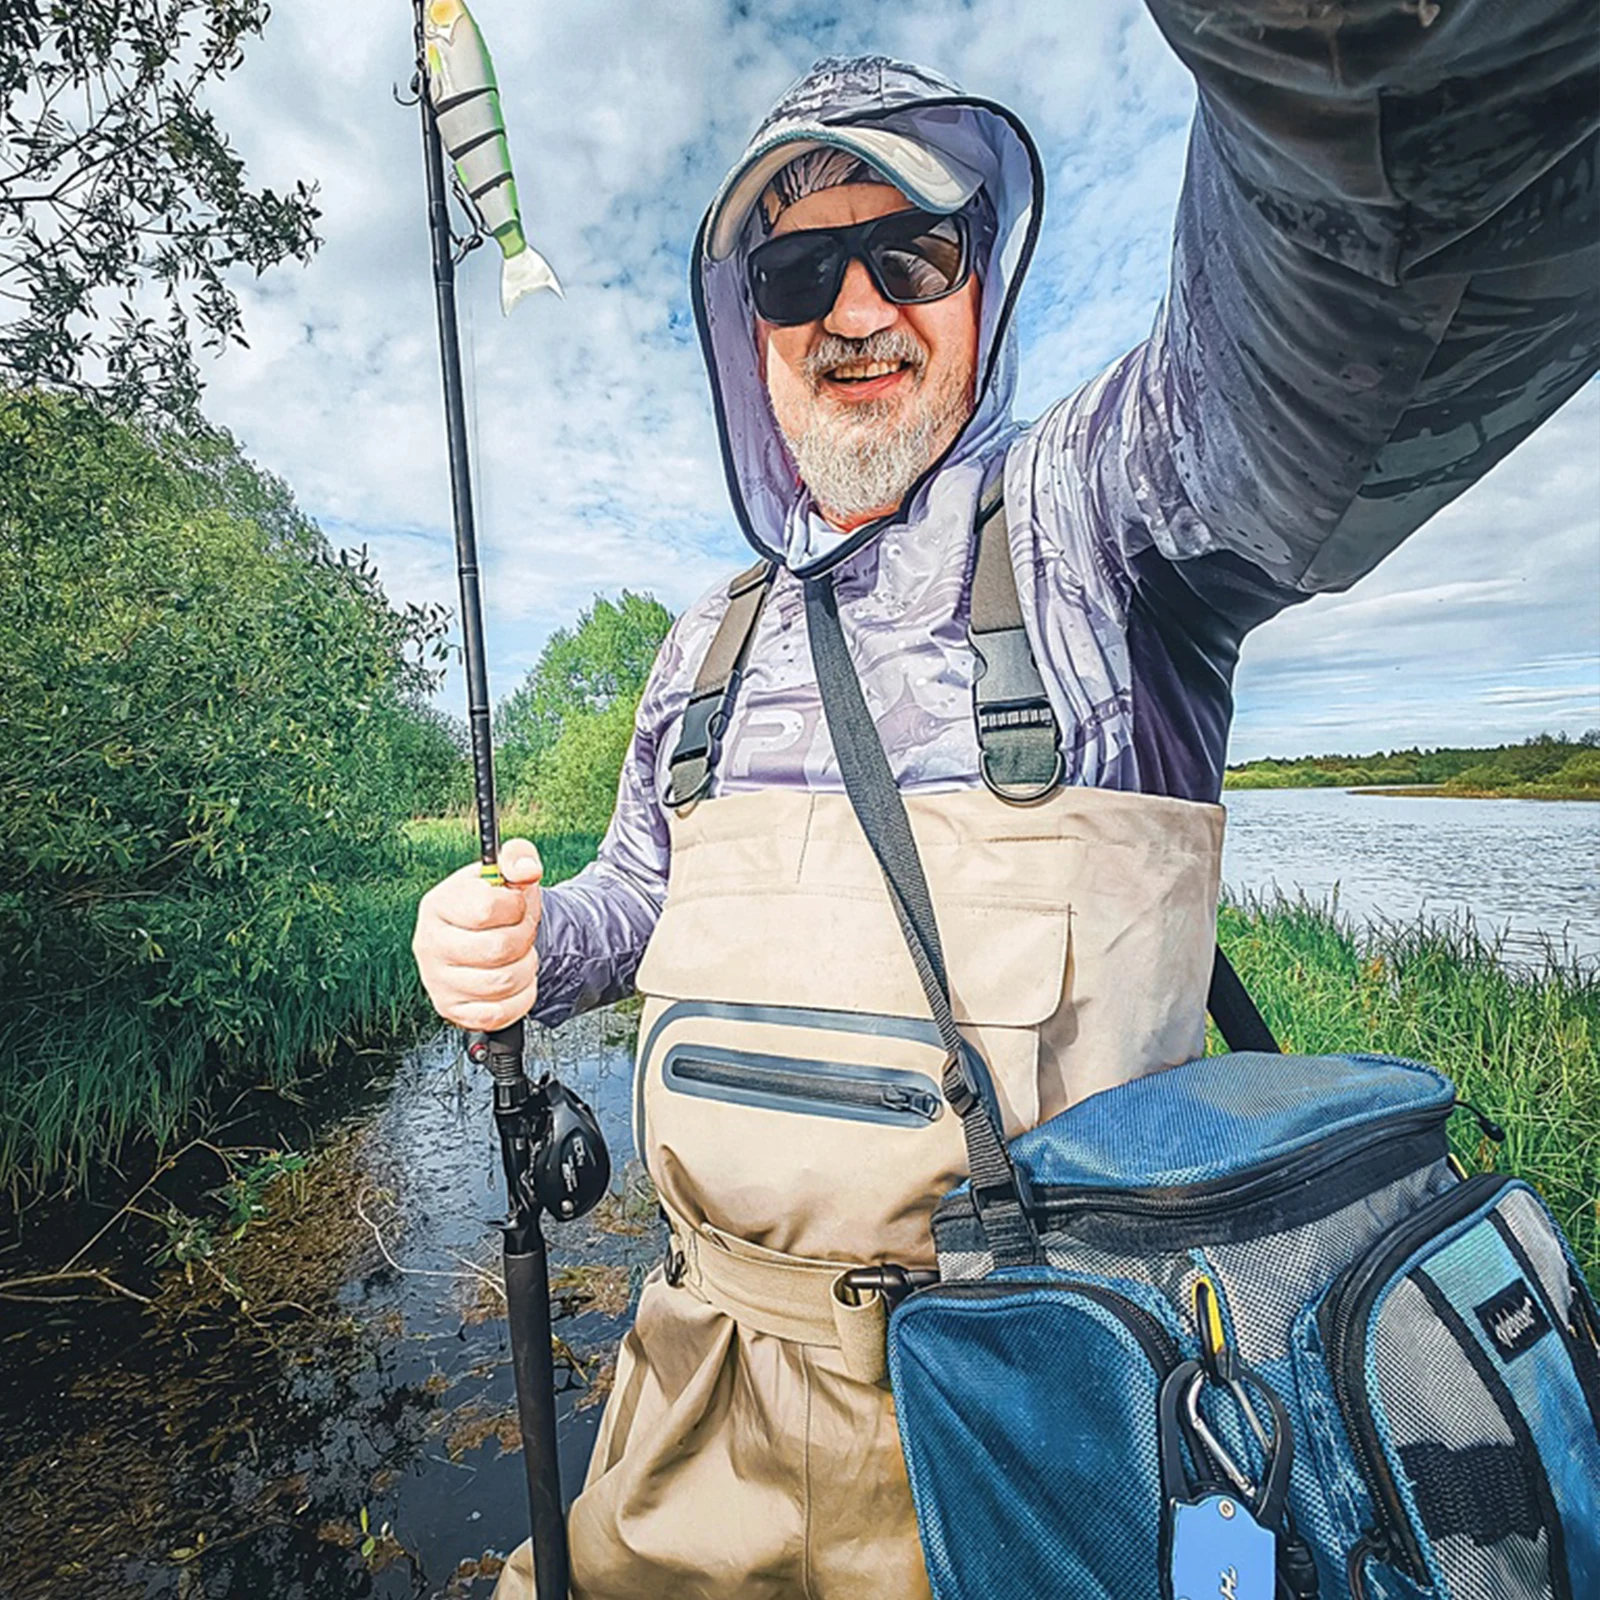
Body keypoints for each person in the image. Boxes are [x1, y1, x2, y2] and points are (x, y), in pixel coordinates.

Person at [413, 8, 1599, 1596]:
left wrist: (1322, 39)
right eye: (794, 275)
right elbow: (639, 898)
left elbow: (1349, 289)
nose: (851, 309)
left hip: (1046, 1449)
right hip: (686, 1411)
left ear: (982, 281)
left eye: (908, 253)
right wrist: (521, 942)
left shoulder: (1103, 523)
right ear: (746, 332)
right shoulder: (701, 643)